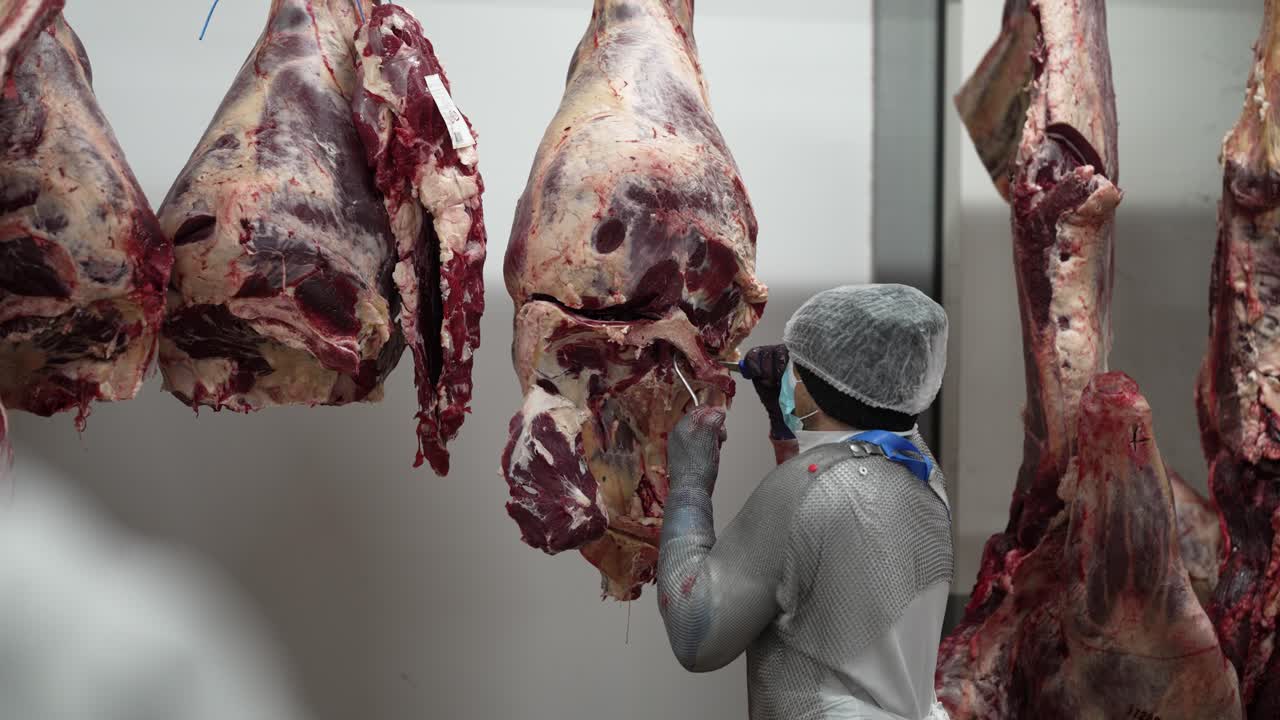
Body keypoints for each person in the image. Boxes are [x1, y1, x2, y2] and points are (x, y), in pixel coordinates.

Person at [657, 284, 953, 720]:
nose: (790, 376)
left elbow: (694, 631)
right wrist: (784, 423)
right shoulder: (919, 467)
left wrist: (689, 485)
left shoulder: (805, 492)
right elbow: (819, 539)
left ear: (819, 387)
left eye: (797, 368)